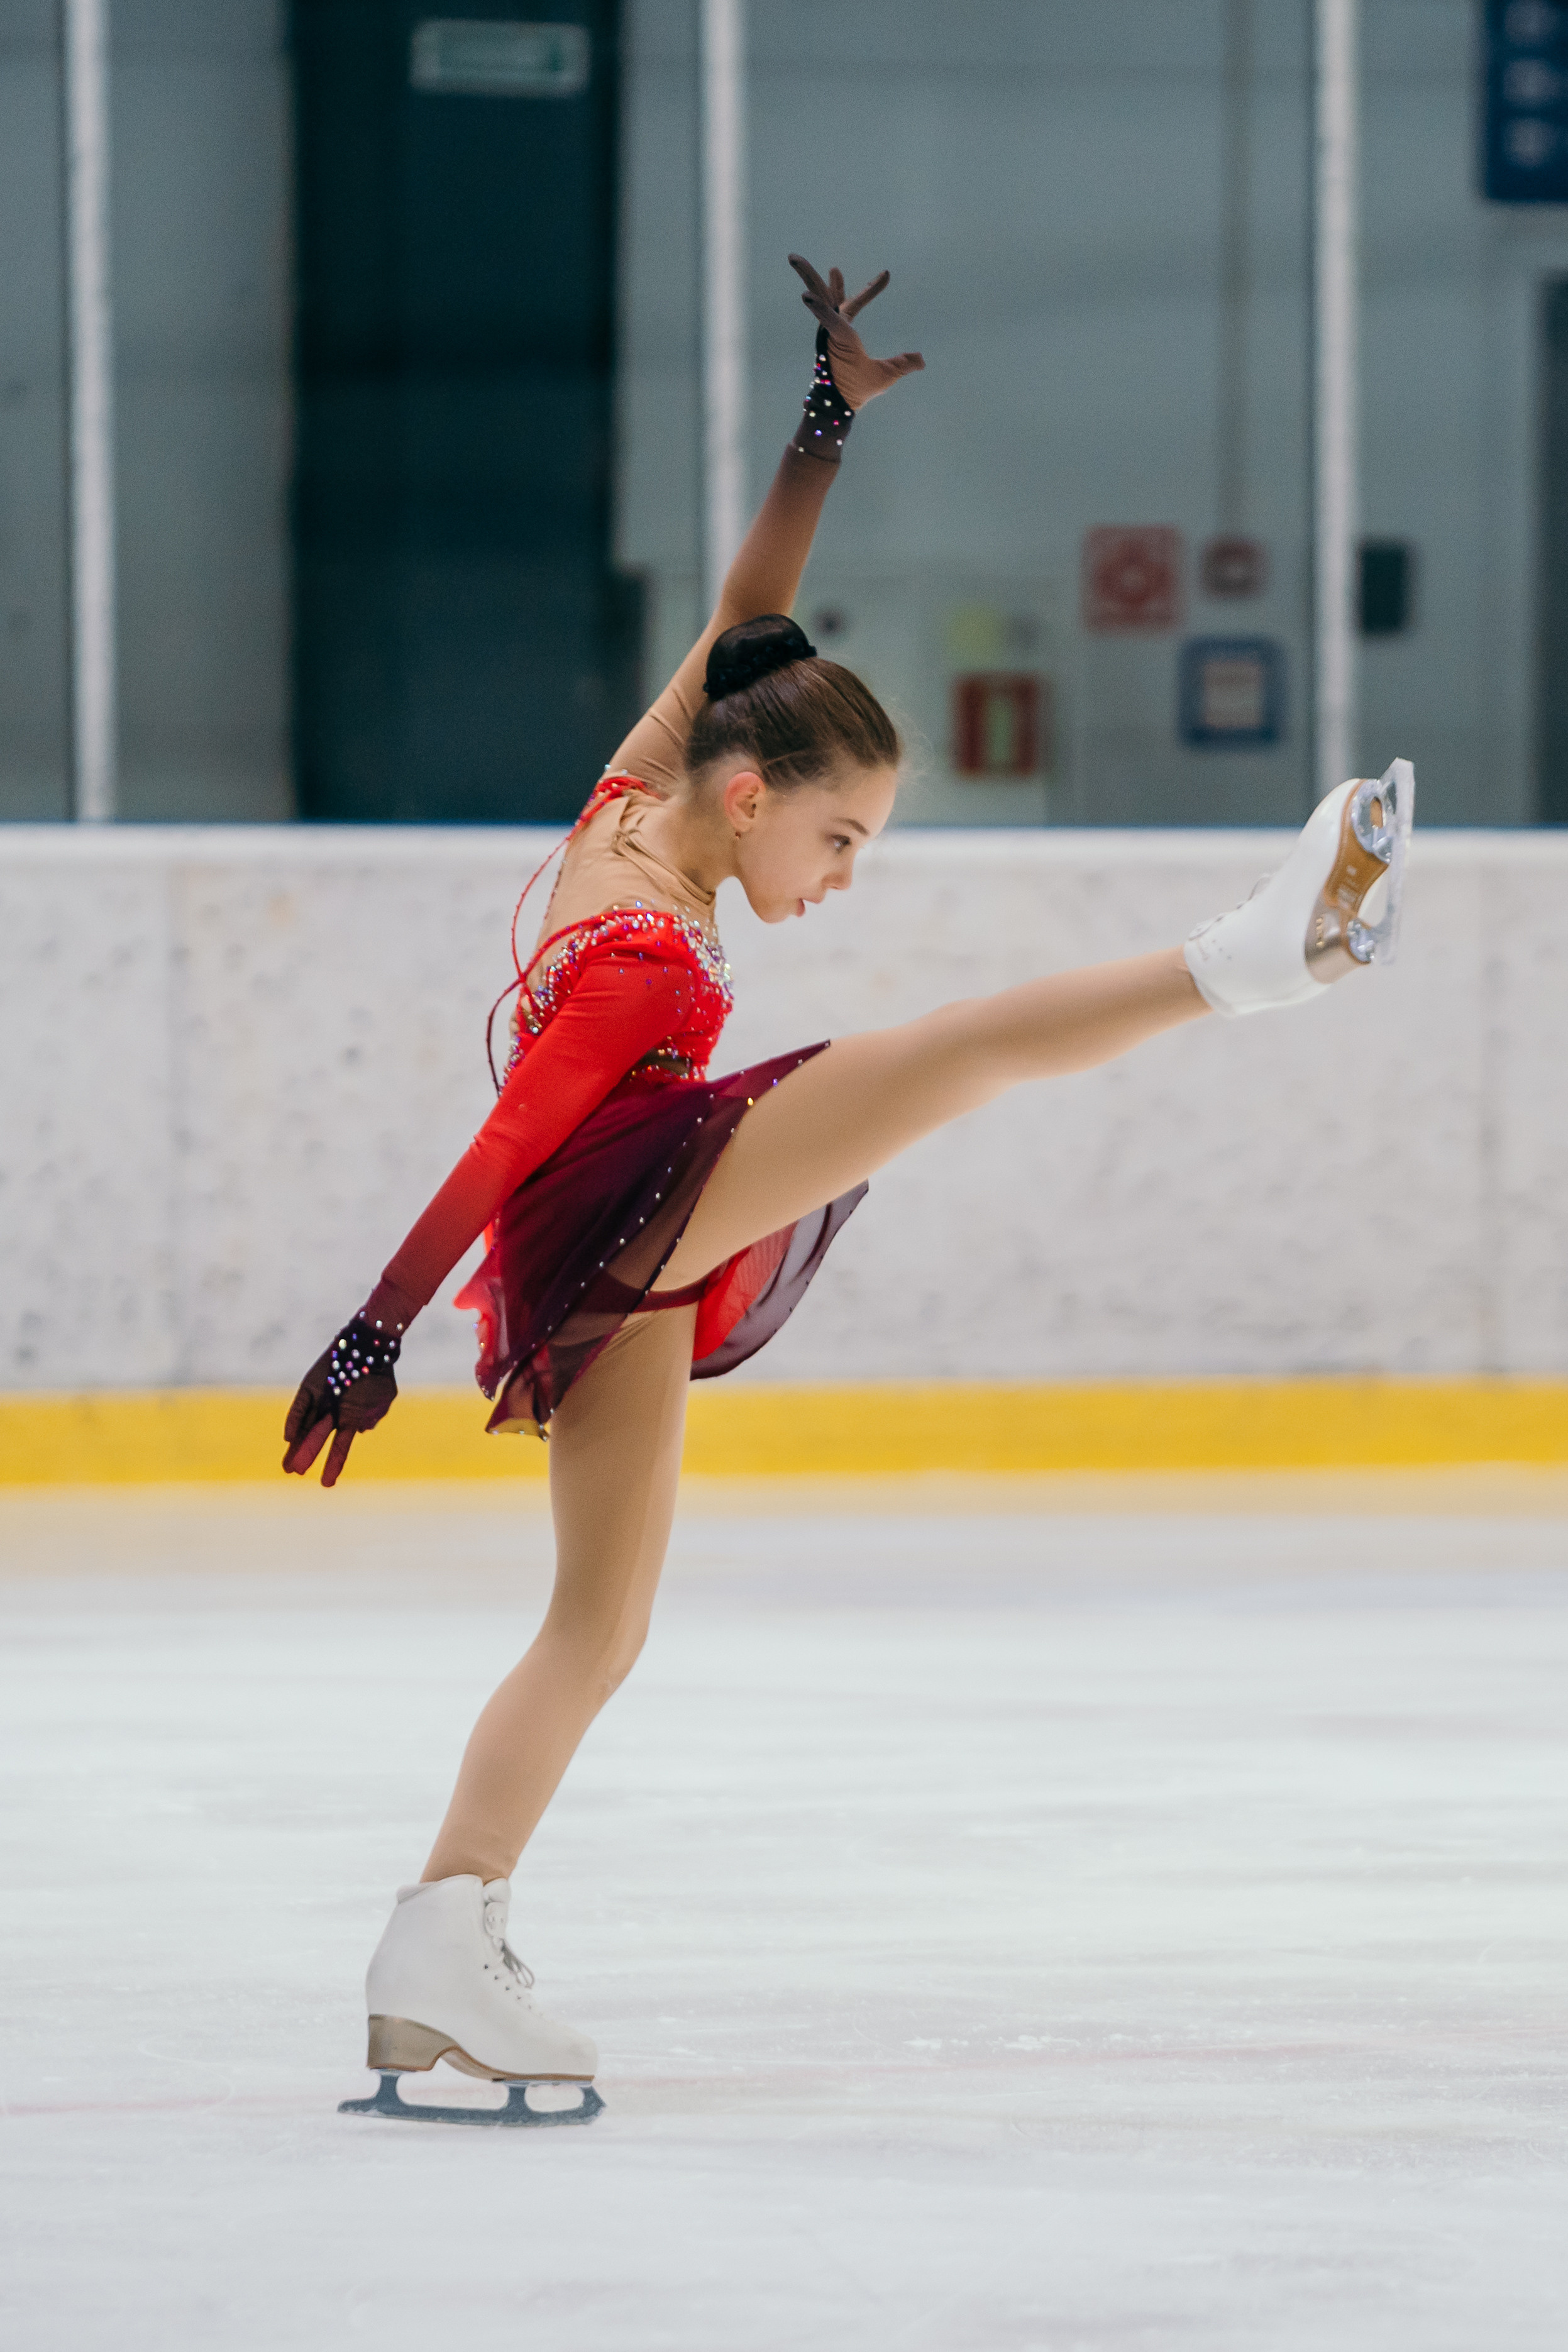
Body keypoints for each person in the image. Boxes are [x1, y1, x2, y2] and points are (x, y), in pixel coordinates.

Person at [285, 255, 1414, 2117]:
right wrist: (372, 1331)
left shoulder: (645, 787)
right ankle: (1253, 960)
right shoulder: (645, 946)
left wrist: (824, 425)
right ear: (749, 801)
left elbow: (751, 619)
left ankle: (440, 1940)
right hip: (619, 1192)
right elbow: (504, 1144)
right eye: (840, 839)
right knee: (946, 1055)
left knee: (600, 1627)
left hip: (608, 1237)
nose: (842, 876)